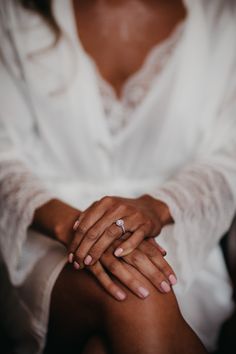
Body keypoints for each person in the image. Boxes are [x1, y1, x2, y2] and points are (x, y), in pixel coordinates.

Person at [0, 0, 235, 353]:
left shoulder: (223, 21)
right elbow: (4, 158)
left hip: (182, 242)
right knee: (138, 296)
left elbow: (227, 158)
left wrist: (157, 208)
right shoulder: (15, 16)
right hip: (43, 237)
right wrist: (79, 228)